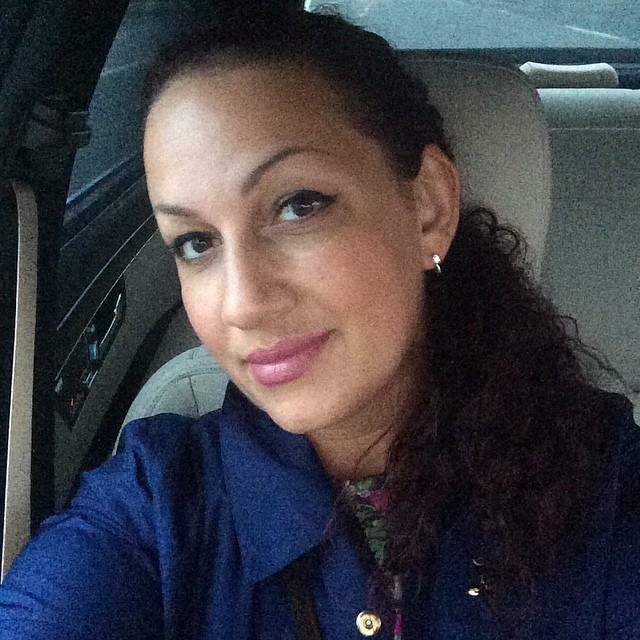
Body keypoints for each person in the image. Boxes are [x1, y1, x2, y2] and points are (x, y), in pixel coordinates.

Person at [0, 8, 638, 640]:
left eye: (298, 206)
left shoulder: (608, 497)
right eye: (196, 242)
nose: (243, 303)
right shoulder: (154, 508)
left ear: (427, 208)